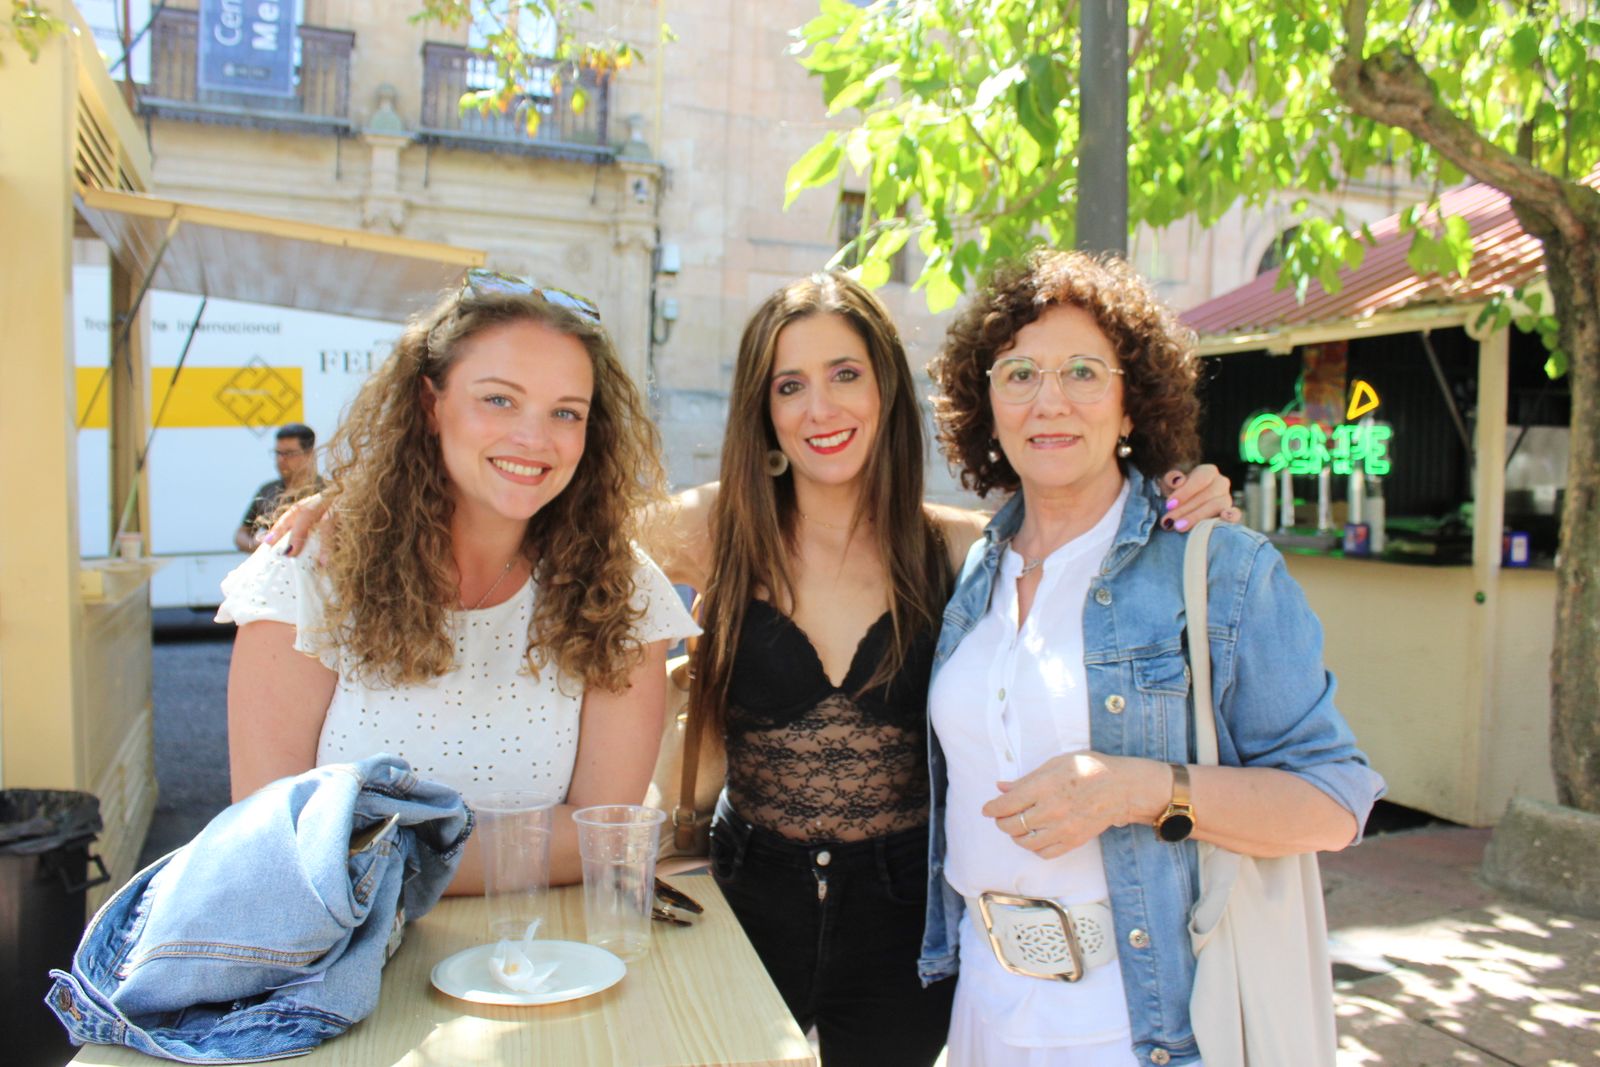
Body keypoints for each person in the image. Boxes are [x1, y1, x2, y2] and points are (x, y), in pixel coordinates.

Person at [646, 274, 1236, 1067]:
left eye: (845, 374)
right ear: (765, 409)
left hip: (904, 930)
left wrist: (1182, 494)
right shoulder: (714, 527)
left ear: (886, 388)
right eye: (790, 385)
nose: (821, 408)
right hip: (740, 898)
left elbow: (1093, 529)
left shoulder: (963, 549)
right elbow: (570, 560)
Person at [919, 251, 1386, 1066]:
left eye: (1083, 372)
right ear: (988, 404)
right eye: (1019, 373)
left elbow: (1334, 800)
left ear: (1131, 400)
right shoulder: (975, 570)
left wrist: (1141, 788)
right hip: (985, 1004)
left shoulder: (1221, 567)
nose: (1049, 400)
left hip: (1141, 1023)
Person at [218, 270, 698, 893]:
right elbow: (271, 839)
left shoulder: (619, 588)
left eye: (566, 412)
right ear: (430, 404)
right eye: (499, 399)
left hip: (547, 948)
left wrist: (364, 851)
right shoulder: (311, 567)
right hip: (345, 953)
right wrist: (515, 847)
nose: (534, 438)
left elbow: (599, 834)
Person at [234, 423, 323, 551]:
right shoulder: (267, 491)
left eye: (289, 453)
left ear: (309, 454)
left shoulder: (327, 492)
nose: (281, 459)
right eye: (278, 453)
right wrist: (257, 545)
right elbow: (241, 534)